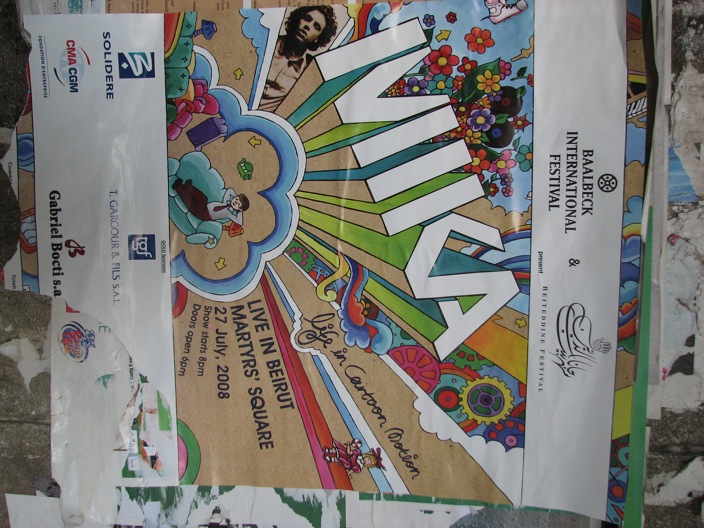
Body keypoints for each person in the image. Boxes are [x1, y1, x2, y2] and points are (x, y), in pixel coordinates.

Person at [260, 6, 338, 111]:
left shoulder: (308, 70)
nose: (308, 26)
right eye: (307, 18)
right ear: (298, 18)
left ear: (317, 38)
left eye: (316, 26)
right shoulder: (265, 42)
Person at [172, 177, 249, 226]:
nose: (236, 202)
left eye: (238, 204)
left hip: (204, 215)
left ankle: (178, 187)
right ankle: (188, 187)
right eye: (236, 199)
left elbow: (240, 222)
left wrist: (240, 211)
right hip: (205, 207)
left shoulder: (230, 215)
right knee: (203, 198)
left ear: (239, 208)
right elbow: (230, 190)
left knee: (191, 202)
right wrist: (236, 197)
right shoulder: (225, 202)